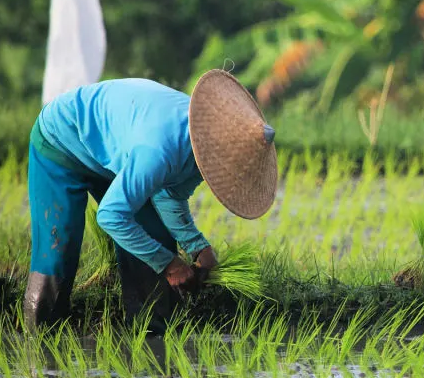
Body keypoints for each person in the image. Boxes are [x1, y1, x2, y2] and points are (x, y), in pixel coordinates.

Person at [23, 69, 278, 328]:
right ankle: (39, 340)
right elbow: (111, 217)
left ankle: (152, 335)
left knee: (155, 236)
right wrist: (170, 265)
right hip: (61, 143)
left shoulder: (201, 147)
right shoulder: (158, 152)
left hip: (118, 151)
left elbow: (169, 195)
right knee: (57, 249)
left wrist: (198, 248)